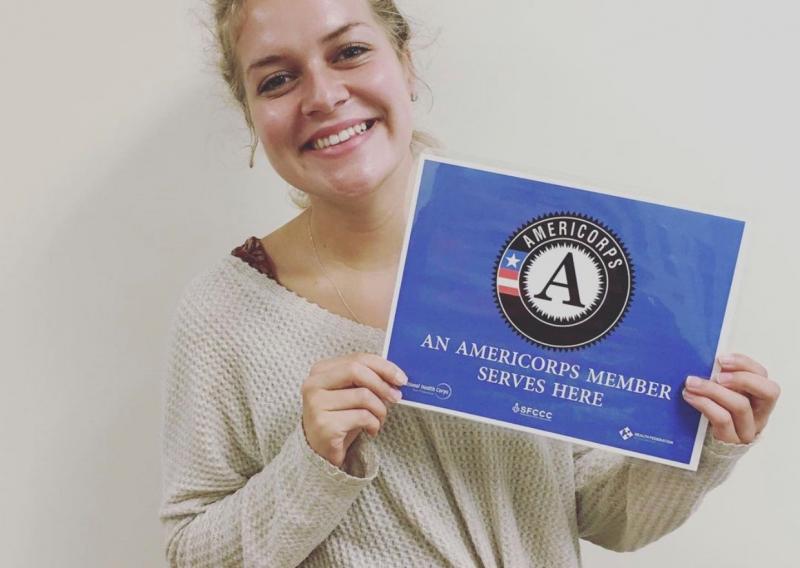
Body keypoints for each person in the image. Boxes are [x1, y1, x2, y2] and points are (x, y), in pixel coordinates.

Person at [159, 0, 781, 566]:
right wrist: (311, 463)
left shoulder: (540, 260)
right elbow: (190, 556)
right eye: (276, 79)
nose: (322, 96)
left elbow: (604, 516)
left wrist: (704, 442)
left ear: (404, 65)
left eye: (349, 52)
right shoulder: (225, 312)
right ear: (252, 115)